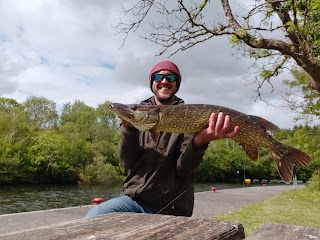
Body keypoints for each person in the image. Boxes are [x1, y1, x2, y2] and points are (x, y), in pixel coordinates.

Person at [86, 60, 239, 217]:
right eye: (158, 77)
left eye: (170, 77)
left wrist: (201, 140)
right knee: (95, 215)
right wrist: (129, 128)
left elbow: (183, 168)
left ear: (176, 83)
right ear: (152, 83)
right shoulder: (141, 117)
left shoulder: (188, 118)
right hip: (135, 201)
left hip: (171, 208)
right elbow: (127, 162)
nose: (164, 81)